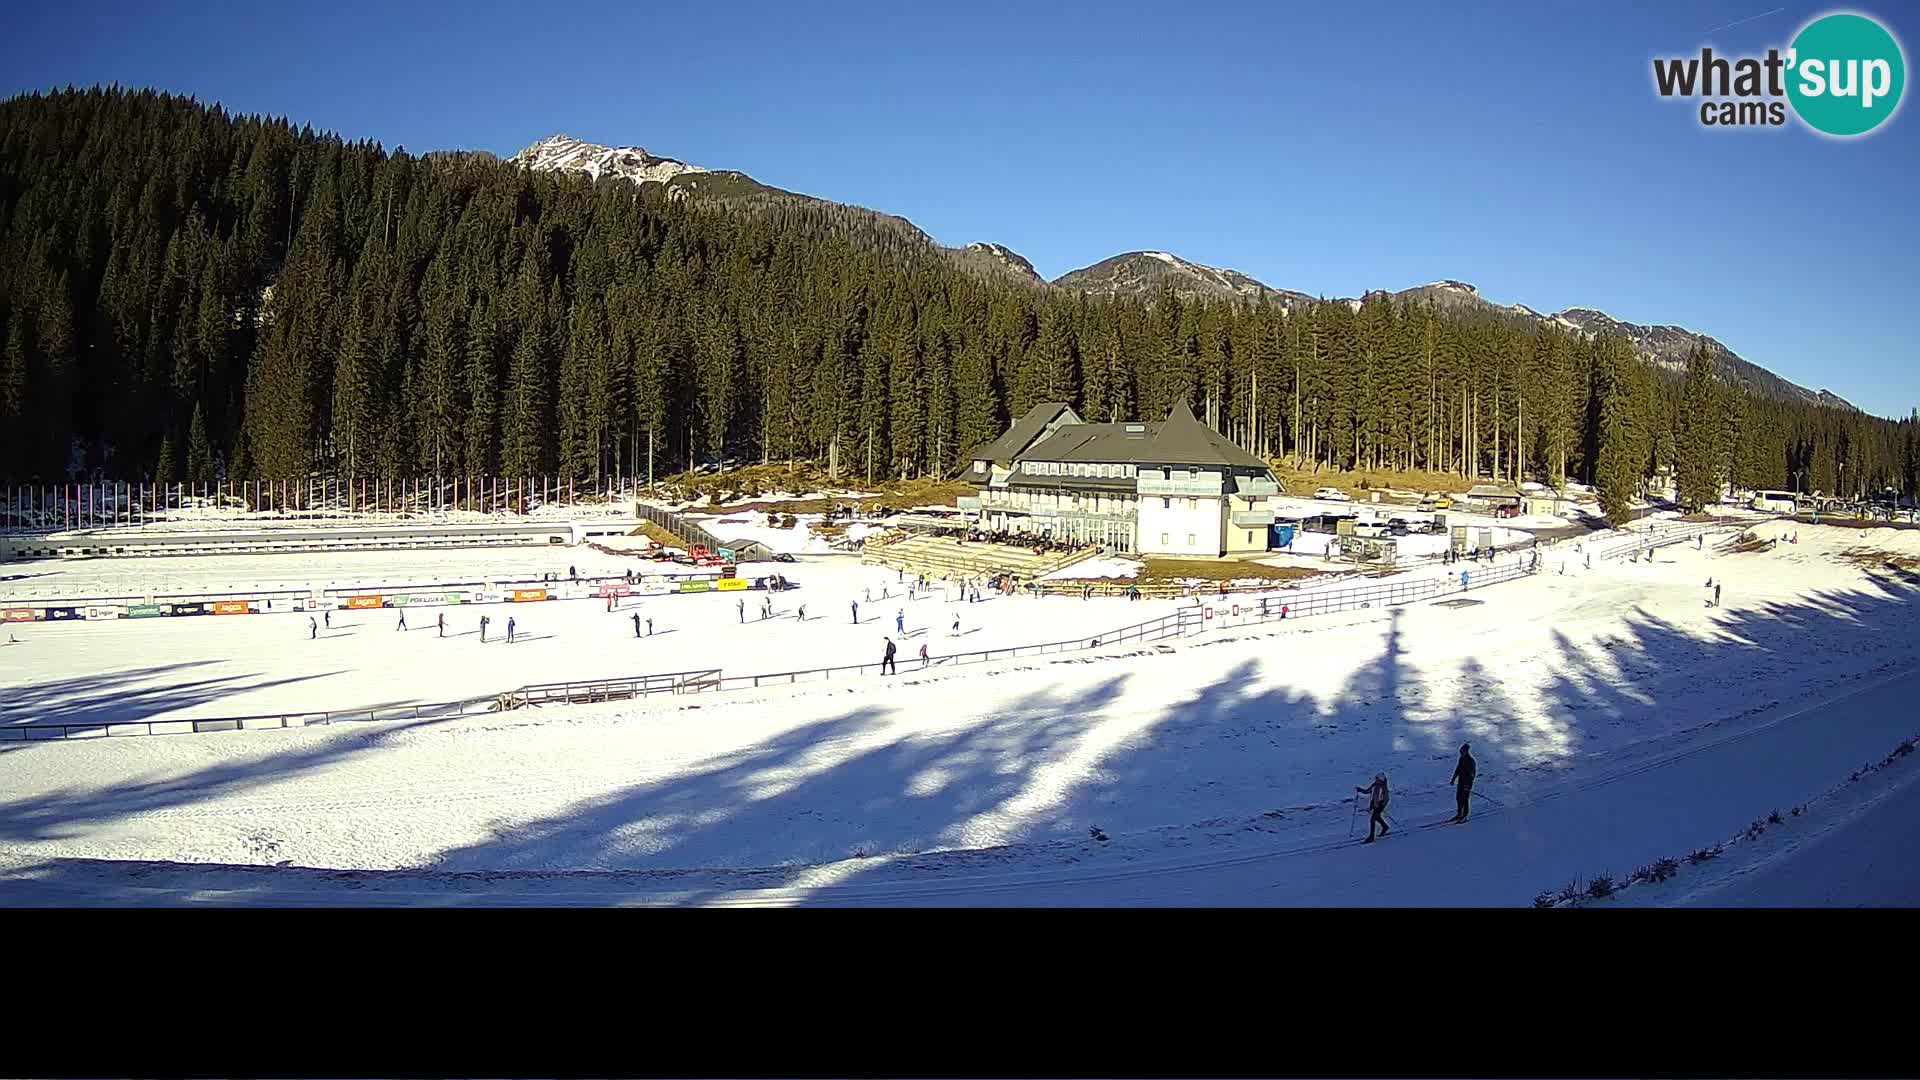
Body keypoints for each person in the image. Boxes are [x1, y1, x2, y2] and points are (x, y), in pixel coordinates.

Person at [1356, 773, 1391, 843]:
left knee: (1373, 819)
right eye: (1376, 778)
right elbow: (1368, 791)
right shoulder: (1375, 785)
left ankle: (1371, 837)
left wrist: (1381, 805)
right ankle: (1385, 827)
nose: (1376, 780)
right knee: (1377, 817)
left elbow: (1386, 799)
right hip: (1375, 805)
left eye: (1377, 778)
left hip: (1379, 805)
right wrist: (1360, 790)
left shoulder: (1383, 787)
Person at [1448, 744, 1477, 824]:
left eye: (1462, 751)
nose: (1461, 752)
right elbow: (1457, 770)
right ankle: (1459, 814)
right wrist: (1453, 779)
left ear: (1466, 751)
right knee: (1458, 798)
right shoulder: (1461, 759)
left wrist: (1468, 784)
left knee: (1465, 798)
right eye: (1461, 751)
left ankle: (1465, 815)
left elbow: (1472, 774)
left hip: (1467, 783)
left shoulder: (1471, 761)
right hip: (1461, 781)